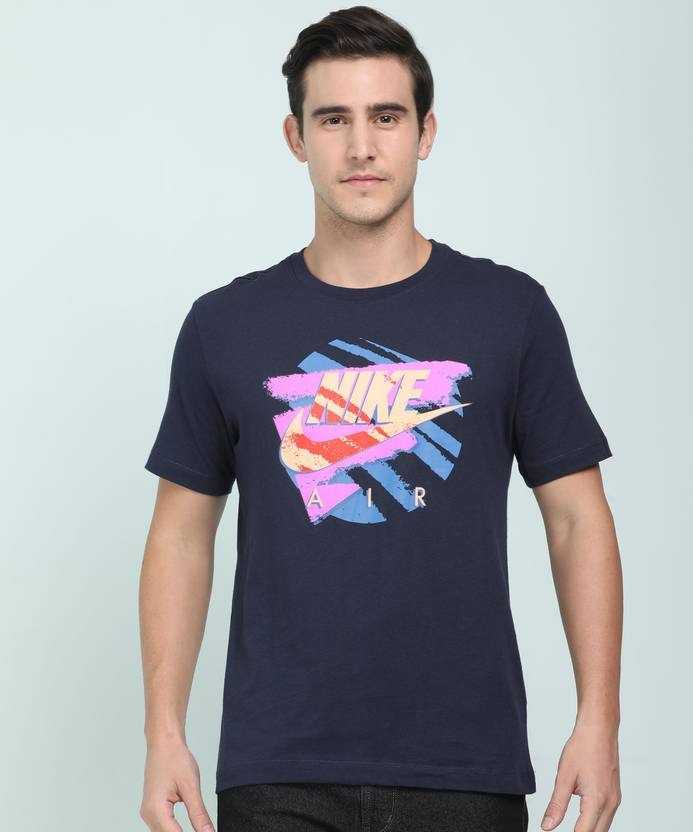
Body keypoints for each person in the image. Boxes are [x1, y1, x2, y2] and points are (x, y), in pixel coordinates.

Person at [138, 6, 623, 832]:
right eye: (333, 119)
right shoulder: (225, 326)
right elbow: (180, 536)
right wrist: (163, 736)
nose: (361, 146)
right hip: (279, 769)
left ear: (424, 132)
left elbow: (577, 518)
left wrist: (598, 722)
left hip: (464, 766)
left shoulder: (509, 312)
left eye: (386, 117)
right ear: (295, 137)